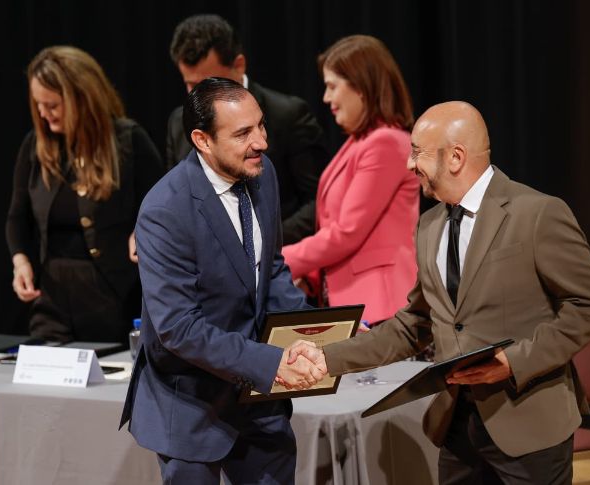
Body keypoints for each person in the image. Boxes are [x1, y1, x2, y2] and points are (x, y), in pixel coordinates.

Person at [287, 102, 590, 484]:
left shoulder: (538, 213)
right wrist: (328, 359)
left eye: (417, 153)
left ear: (456, 157)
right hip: (457, 426)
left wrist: (515, 360)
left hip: (530, 425)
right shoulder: (429, 226)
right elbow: (413, 325)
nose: (409, 165)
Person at [119, 77, 325, 485]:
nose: (262, 142)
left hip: (260, 407)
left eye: (261, 126)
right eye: (243, 133)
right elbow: (180, 328)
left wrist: (317, 328)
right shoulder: (165, 210)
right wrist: (271, 362)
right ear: (202, 140)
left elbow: (269, 270)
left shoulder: (262, 175)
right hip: (193, 408)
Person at [6, 45, 164, 344]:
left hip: (111, 295)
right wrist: (21, 262)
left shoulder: (128, 140)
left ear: (81, 97)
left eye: (52, 105)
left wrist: (140, 232)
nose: (43, 113)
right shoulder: (36, 146)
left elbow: (161, 209)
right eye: (38, 105)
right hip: (51, 297)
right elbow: (17, 216)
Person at [281, 35, 419, 325]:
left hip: (382, 307)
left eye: (332, 86)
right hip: (354, 305)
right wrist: (310, 276)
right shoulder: (361, 141)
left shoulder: (385, 143)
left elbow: (347, 232)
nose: (326, 98)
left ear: (362, 87)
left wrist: (280, 261)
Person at [167, 13, 329, 244]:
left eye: (209, 82)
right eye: (190, 84)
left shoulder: (288, 115)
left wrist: (264, 245)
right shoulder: (178, 121)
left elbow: (319, 201)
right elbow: (176, 198)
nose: (198, 94)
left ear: (239, 65)